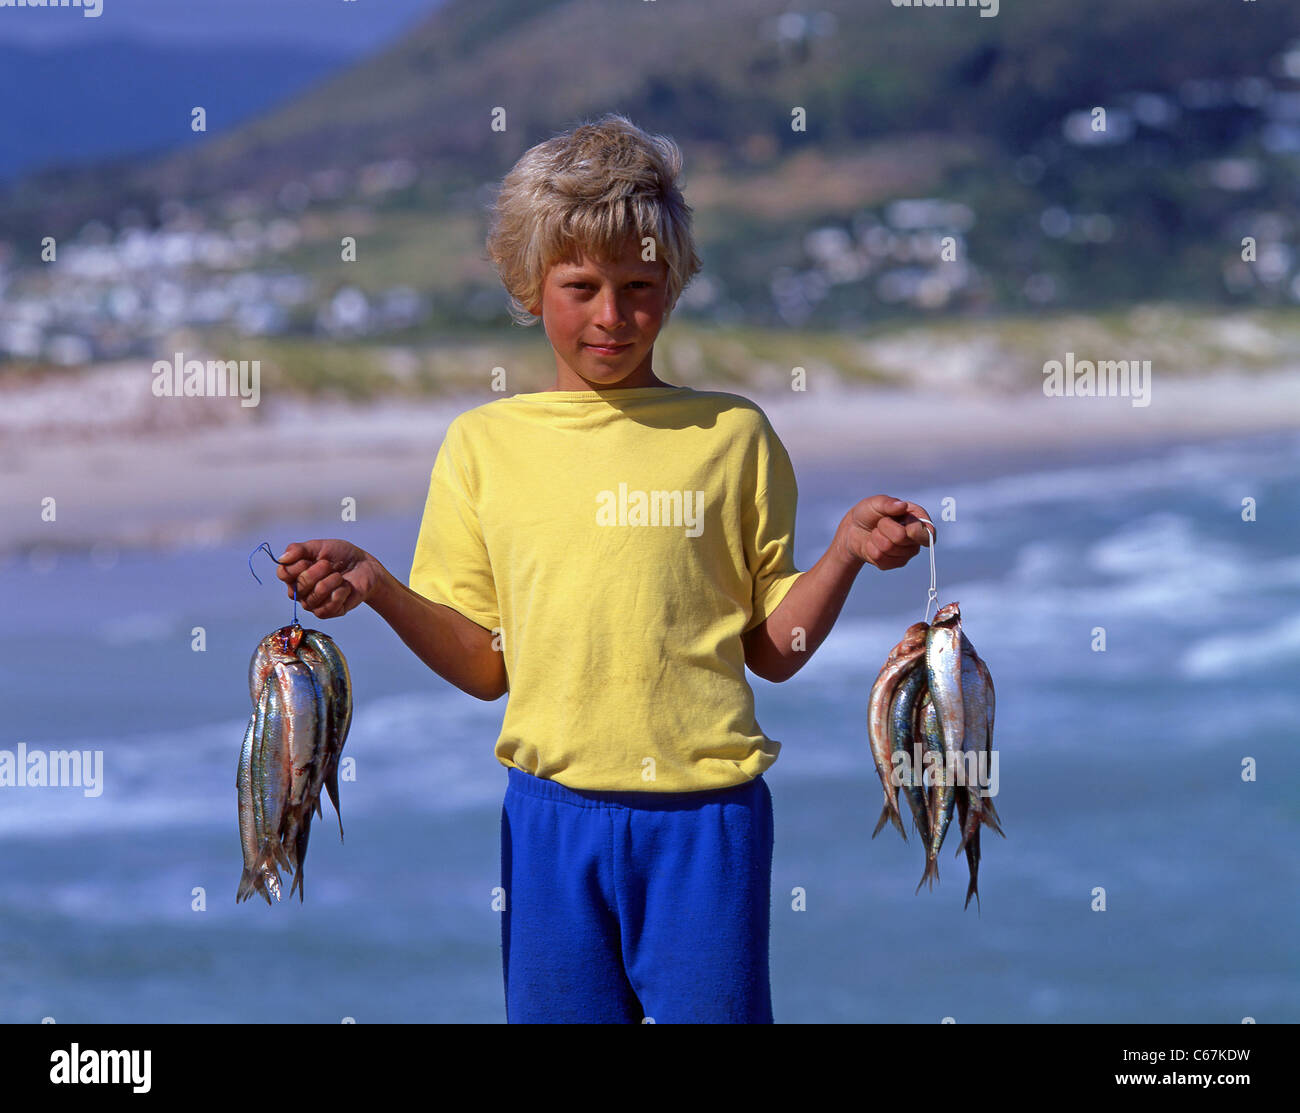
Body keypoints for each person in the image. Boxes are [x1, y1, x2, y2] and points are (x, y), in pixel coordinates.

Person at [275, 113, 932, 1023]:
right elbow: (484, 666)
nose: (612, 316)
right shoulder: (482, 445)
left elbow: (773, 649)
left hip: (707, 821)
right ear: (527, 283)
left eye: (640, 286)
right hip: (548, 822)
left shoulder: (732, 435)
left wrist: (846, 555)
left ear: (674, 284)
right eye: (580, 286)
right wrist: (380, 586)